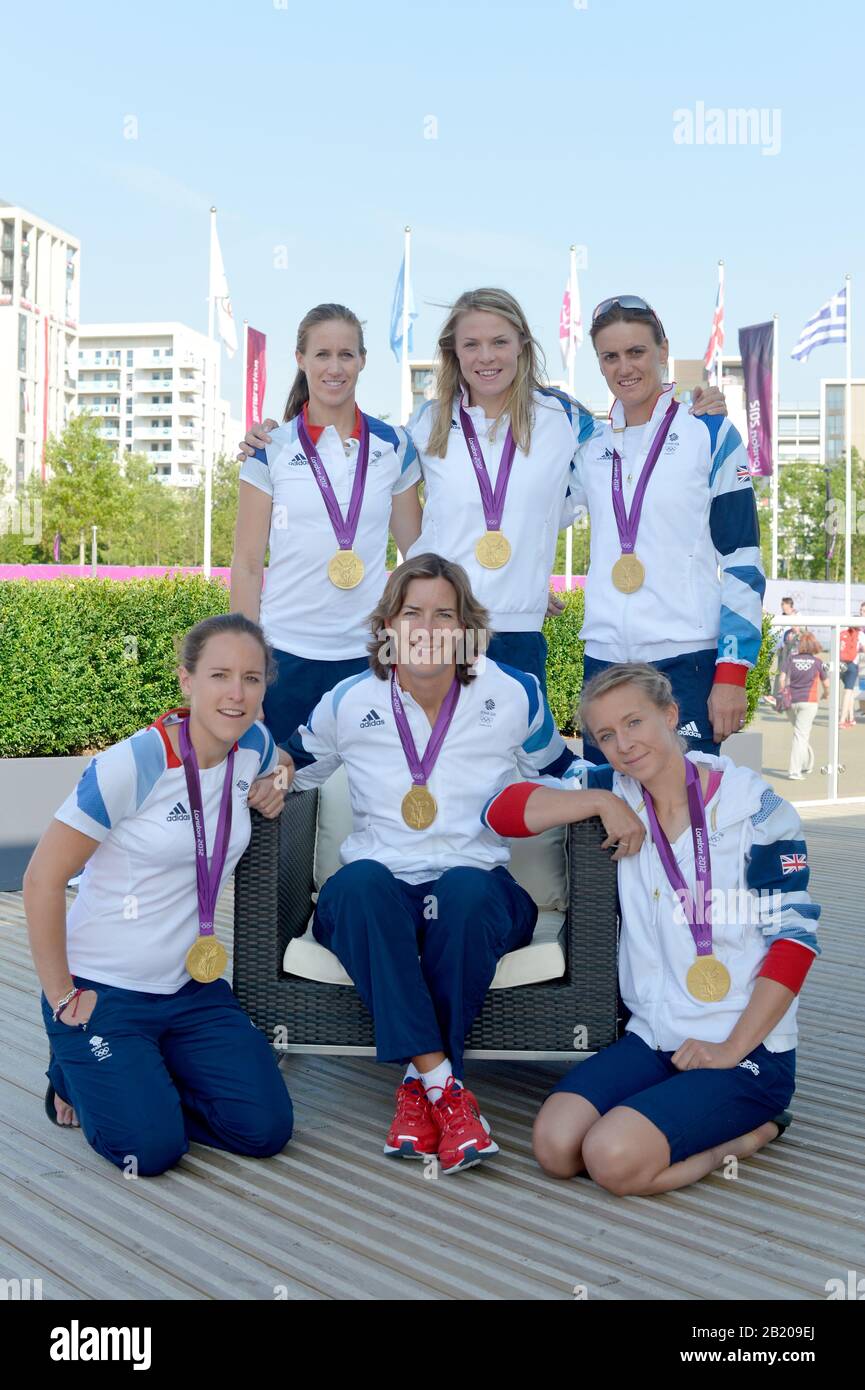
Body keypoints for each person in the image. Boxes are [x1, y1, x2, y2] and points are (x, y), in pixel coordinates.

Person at [281, 553, 645, 1174]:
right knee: (362, 883)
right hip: (373, 899)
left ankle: (421, 1090)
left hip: (477, 897)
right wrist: (262, 772)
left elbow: (563, 772)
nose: (427, 627)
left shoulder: (512, 694)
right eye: (412, 612)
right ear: (387, 626)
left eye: (444, 614)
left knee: (466, 891)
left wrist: (618, 790)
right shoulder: (346, 700)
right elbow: (290, 765)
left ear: (467, 627)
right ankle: (443, 1091)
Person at [240, 288, 724, 691]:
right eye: (471, 344)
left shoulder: (564, 418)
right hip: (440, 630)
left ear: (521, 346)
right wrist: (269, 438)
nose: (486, 356)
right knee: (432, 773)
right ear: (454, 351)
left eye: (499, 342)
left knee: (513, 775)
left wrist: (690, 407)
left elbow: (627, 457)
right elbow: (384, 504)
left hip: (518, 632)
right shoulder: (425, 424)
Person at [484, 662, 819, 1196]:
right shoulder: (611, 789)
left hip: (745, 1048)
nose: (623, 744)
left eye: (635, 722)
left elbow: (795, 943)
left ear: (670, 715)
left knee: (612, 1160)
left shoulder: (755, 808)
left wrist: (731, 1048)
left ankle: (753, 1133)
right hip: (654, 1037)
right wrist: (600, 802)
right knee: (555, 1146)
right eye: (606, 735)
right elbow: (498, 811)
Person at [22, 614, 295, 1176]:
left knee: (264, 1128)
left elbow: (282, 760)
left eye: (251, 678)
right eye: (219, 675)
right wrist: (62, 998)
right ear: (186, 681)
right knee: (148, 1150)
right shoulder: (134, 763)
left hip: (191, 988)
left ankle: (136, 1082)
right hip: (104, 991)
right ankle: (72, 1071)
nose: (235, 693)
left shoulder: (255, 747)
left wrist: (280, 781)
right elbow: (40, 881)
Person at [569, 295, 763, 761]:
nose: (624, 367)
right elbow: (534, 515)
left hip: (686, 660)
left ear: (662, 351)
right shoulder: (586, 445)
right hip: (604, 660)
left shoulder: (711, 433)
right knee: (608, 819)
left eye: (636, 352)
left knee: (690, 816)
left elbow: (741, 558)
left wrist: (732, 673)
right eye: (609, 356)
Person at [232, 303, 422, 742]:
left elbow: (419, 554)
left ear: (362, 360)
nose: (334, 367)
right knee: (279, 797)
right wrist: (247, 669)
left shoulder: (395, 445)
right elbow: (245, 565)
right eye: (321, 355)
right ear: (300, 360)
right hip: (286, 657)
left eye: (346, 354)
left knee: (365, 800)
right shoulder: (269, 449)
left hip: (369, 657)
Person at [777, 630, 829, 779]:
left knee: (800, 734)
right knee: (801, 735)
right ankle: (794, 770)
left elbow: (782, 679)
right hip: (809, 701)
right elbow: (826, 684)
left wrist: (783, 691)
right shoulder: (818, 662)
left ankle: (808, 763)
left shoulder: (791, 659)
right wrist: (826, 694)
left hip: (791, 701)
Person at [839, 606, 863, 728]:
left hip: (841, 664)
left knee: (851, 691)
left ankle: (851, 717)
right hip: (852, 665)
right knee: (848, 692)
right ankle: (843, 719)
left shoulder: (843, 633)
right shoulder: (860, 635)